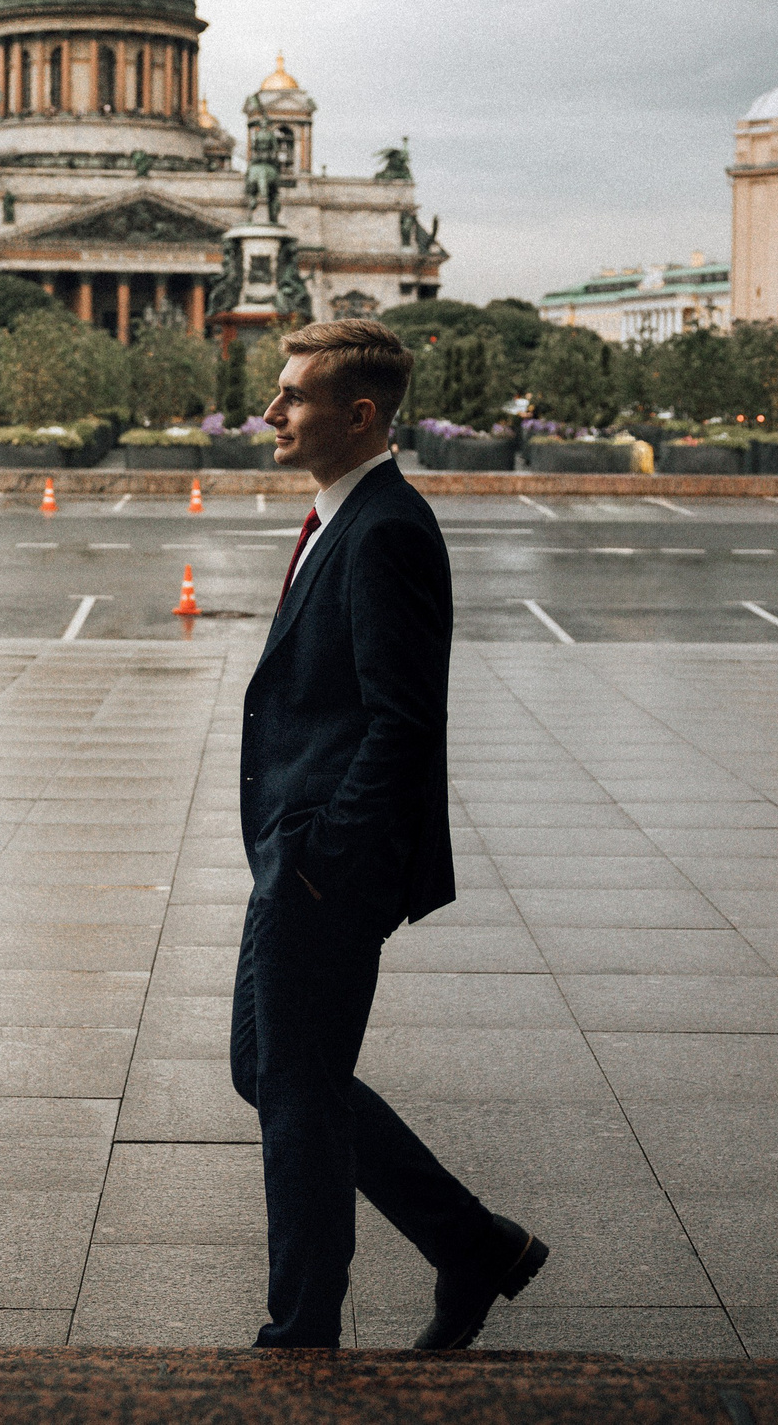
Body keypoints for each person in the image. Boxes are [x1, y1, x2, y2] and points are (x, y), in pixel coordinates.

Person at [234, 318, 547, 1350]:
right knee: (276, 1072)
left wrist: (328, 855)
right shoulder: (346, 514)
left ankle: (304, 1331)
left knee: (292, 1087)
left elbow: (402, 719)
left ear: (357, 413)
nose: (270, 412)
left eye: (292, 397)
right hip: (303, 848)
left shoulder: (386, 528)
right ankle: (473, 1246)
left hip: (325, 862)